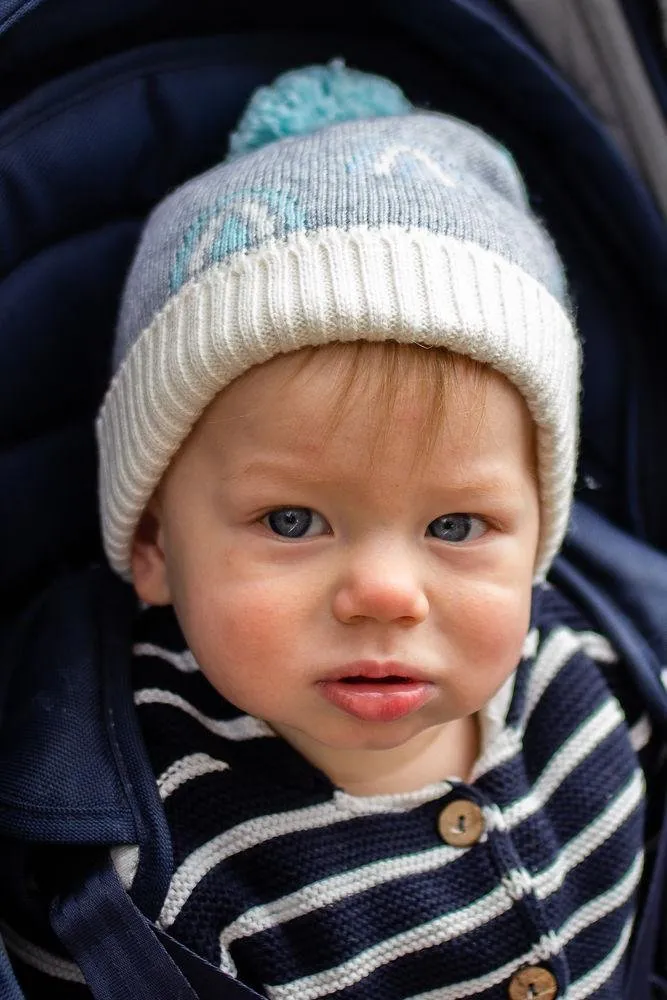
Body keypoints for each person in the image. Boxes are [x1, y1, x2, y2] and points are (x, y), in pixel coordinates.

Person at [3, 61, 663, 1000]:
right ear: (152, 544)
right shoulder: (144, 865)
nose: (386, 594)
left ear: (539, 539)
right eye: (291, 519)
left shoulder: (597, 674)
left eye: (456, 523)